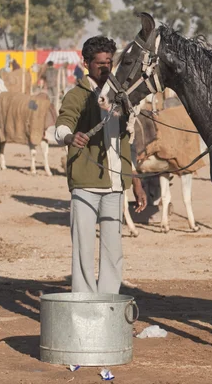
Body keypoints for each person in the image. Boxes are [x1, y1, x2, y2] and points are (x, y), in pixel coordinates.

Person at [55, 36, 147, 294]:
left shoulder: (121, 97)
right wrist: (70, 136)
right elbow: (63, 123)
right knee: (83, 248)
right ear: (86, 64)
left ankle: (107, 302)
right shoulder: (77, 95)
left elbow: (127, 141)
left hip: (116, 186)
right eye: (99, 63)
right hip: (85, 185)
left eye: (109, 62)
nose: (106, 68)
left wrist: (135, 182)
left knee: (113, 250)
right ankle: (83, 300)